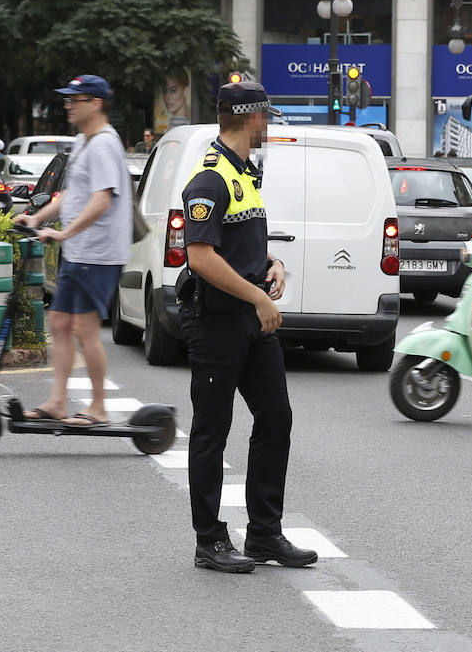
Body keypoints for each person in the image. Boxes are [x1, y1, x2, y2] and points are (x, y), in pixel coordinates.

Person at [179, 80, 315, 574]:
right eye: (267, 118)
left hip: (251, 319)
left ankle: (263, 534)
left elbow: (236, 242)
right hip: (217, 320)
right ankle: (209, 541)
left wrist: (271, 262)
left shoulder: (243, 173)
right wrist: (258, 295)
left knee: (276, 418)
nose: (270, 127)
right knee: (212, 431)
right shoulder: (209, 179)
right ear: (251, 118)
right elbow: (200, 257)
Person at [13, 75, 132, 429]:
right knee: (60, 322)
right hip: (79, 250)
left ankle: (97, 407)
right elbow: (70, 196)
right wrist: (36, 217)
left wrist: (64, 234)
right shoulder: (83, 141)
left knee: (84, 327)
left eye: (75, 99)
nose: (68, 105)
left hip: (98, 252)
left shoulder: (104, 144)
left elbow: (101, 199)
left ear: (95, 103)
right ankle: (58, 402)